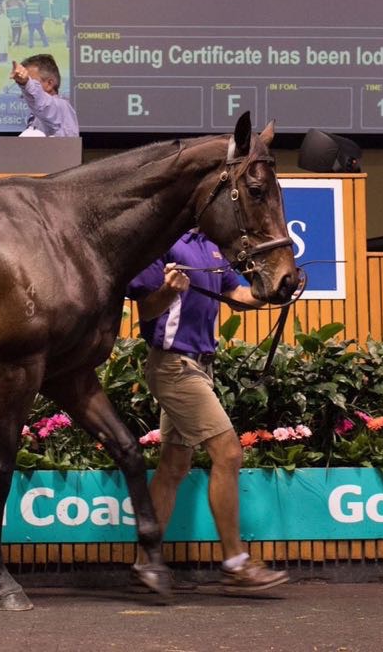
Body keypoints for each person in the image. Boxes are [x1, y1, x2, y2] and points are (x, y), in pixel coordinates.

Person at [126, 230, 289, 594]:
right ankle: (235, 563)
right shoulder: (163, 242)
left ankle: (144, 562)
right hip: (173, 367)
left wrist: (273, 292)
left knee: (173, 467)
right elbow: (146, 309)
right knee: (228, 453)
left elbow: (237, 294)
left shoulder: (213, 246)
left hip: (201, 367)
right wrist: (169, 289)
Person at [10, 53, 79, 138]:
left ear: (49, 84)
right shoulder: (37, 116)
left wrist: (26, 83)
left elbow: (44, 103)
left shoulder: (61, 107)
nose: (25, 91)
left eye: (34, 82)